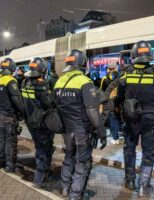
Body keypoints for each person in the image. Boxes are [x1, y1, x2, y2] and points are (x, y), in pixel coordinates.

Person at [114, 41, 154, 197]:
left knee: (129, 149)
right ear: (150, 55)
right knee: (148, 152)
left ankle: (130, 181)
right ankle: (144, 184)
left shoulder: (126, 72)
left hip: (131, 118)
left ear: (133, 55)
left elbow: (119, 96)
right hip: (150, 118)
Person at [54, 49, 107, 200]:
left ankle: (65, 187)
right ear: (82, 63)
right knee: (81, 162)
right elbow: (92, 110)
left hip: (66, 130)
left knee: (69, 156)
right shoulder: (84, 82)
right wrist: (102, 132)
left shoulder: (59, 81)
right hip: (81, 130)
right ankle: (75, 194)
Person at [21, 57, 56, 188]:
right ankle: (40, 178)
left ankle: (42, 172)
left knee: (39, 147)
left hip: (31, 121)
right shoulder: (42, 84)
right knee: (44, 149)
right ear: (41, 69)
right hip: (41, 122)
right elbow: (49, 103)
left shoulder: (25, 82)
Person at [0, 58, 24, 173]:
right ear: (11, 68)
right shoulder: (11, 80)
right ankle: (10, 165)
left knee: (1, 138)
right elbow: (17, 100)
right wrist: (23, 113)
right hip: (9, 115)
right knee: (10, 140)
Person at [100, 62, 121, 144]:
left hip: (110, 102)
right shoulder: (121, 76)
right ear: (116, 68)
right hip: (120, 101)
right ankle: (121, 137)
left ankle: (115, 138)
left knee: (113, 119)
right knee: (121, 118)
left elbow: (102, 91)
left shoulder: (105, 78)